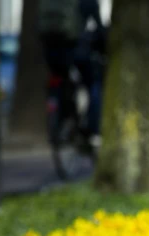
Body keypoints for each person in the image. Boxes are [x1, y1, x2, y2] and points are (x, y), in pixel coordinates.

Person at [38, 0, 106, 143]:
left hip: (50, 51)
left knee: (60, 79)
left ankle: (60, 116)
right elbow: (99, 29)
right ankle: (92, 129)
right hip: (74, 49)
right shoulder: (87, 2)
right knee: (94, 82)